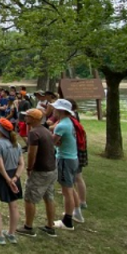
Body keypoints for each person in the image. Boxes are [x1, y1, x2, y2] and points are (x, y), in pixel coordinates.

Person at [16, 109, 58, 238]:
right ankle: (50, 226)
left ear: (34, 119)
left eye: (27, 116)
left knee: (29, 198)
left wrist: (29, 168)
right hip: (52, 169)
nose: (25, 118)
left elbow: (32, 153)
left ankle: (28, 227)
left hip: (41, 170)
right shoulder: (45, 130)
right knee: (48, 197)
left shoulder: (34, 132)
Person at [0, 118, 25, 245]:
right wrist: (15, 178)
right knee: (13, 206)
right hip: (14, 176)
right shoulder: (17, 144)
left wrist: (8, 180)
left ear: (0, 130)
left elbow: (0, 165)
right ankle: (11, 234)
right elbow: (21, 164)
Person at [50, 99, 82, 230]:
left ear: (61, 111)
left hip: (65, 159)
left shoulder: (61, 125)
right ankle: (76, 212)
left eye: (55, 108)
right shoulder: (69, 122)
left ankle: (67, 221)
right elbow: (59, 141)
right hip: (73, 158)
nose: (53, 110)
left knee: (66, 190)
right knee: (71, 188)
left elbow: (52, 141)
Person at [69, 100, 88, 210]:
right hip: (77, 149)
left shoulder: (71, 118)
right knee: (76, 177)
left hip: (76, 150)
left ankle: (82, 201)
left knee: (78, 177)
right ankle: (80, 200)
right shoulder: (74, 116)